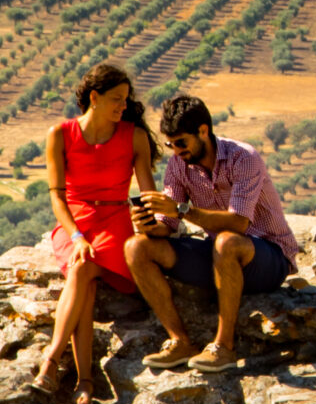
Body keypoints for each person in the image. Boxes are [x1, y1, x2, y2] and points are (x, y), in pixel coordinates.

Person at [126, 93, 297, 373]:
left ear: (203, 131)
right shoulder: (178, 166)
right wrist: (149, 224)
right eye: (170, 144)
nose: (176, 150)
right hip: (219, 255)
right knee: (136, 248)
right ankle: (179, 341)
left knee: (228, 241)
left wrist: (181, 210)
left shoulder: (243, 158)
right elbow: (167, 225)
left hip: (267, 257)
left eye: (181, 142)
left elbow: (239, 223)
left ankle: (224, 347)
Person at [30, 60, 160, 404]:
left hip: (115, 219)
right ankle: (83, 380)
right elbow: (57, 195)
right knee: (81, 267)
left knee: (82, 270)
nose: (123, 106)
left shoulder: (134, 136)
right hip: (74, 221)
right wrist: (75, 236)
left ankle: (53, 362)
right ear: (94, 97)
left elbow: (147, 194)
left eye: (125, 99)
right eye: (116, 99)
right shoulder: (60, 134)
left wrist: (155, 221)